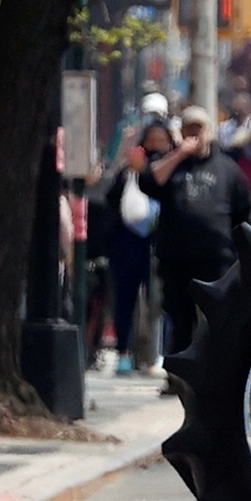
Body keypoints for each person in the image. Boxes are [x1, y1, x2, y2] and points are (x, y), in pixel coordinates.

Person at [142, 106, 251, 371]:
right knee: (179, 320)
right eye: (189, 130)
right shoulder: (171, 164)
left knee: (217, 321)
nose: (194, 135)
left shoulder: (228, 168)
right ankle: (178, 377)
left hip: (216, 260)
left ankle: (218, 375)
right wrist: (180, 153)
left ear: (209, 132)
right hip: (176, 260)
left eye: (199, 129)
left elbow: (243, 213)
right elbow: (149, 182)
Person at [99, 122, 169, 374]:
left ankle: (155, 354)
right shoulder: (129, 171)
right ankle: (124, 351)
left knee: (158, 301)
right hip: (126, 243)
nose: (156, 147)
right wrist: (129, 168)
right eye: (152, 141)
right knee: (125, 299)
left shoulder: (170, 170)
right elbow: (110, 197)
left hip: (157, 243)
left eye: (162, 141)